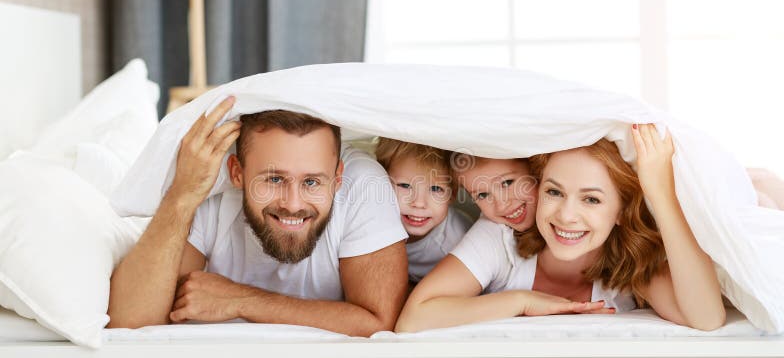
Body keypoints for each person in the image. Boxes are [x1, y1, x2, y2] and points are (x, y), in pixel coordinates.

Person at [108, 97, 409, 337]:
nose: (292, 204)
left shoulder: (363, 184)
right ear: (237, 173)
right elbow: (130, 323)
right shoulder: (208, 190)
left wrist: (242, 299)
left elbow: (379, 325)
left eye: (312, 182)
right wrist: (182, 194)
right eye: (274, 180)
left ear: (338, 177)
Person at [395, 124, 726, 332]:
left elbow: (707, 318)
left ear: (621, 211)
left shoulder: (628, 255)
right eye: (554, 192)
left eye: (592, 200)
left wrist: (662, 194)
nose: (567, 216)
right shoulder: (498, 235)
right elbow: (414, 318)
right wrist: (521, 301)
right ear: (540, 185)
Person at [375, 138, 473, 283]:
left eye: (435, 189)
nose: (419, 203)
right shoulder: (372, 220)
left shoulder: (456, 244)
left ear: (452, 194)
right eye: (404, 185)